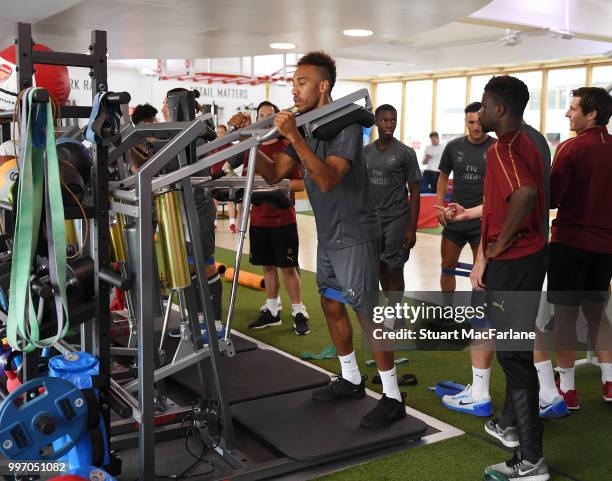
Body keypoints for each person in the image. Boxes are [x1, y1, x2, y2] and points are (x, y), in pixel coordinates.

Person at [234, 51, 406, 428]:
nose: (293, 90)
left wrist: (293, 135)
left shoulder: (345, 126)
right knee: (330, 305)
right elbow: (274, 174)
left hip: (356, 235)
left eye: (301, 82)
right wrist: (248, 142)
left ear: (323, 85)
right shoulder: (308, 129)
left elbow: (328, 178)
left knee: (367, 315)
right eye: (293, 83)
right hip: (329, 236)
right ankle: (350, 378)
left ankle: (393, 397)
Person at [474, 75, 549, 480]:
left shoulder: (501, 148)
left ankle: (532, 459)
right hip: (530, 258)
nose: (480, 112)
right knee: (515, 352)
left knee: (515, 358)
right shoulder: (528, 141)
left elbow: (525, 194)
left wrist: (498, 246)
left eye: (484, 106)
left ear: (499, 109)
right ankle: (510, 424)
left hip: (515, 261)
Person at [537, 87, 612, 409]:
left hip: (570, 243)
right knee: (599, 315)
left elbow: (553, 199)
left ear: (591, 113)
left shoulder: (570, 148)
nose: (568, 114)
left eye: (572, 108)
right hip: (606, 246)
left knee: (565, 317)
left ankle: (567, 388)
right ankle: (610, 383)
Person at [229, 101, 310, 334]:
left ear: (276, 119)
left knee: (288, 267)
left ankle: (298, 310)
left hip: (283, 218)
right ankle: (272, 310)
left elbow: (302, 183)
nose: (265, 119)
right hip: (258, 219)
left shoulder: (288, 148)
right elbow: (246, 180)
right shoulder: (252, 149)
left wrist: (273, 184)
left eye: (269, 116)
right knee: (267, 267)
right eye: (261, 115)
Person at [436, 102, 496, 416]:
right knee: (446, 267)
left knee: (480, 275)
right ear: (466, 121)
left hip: (482, 222)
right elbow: (442, 176)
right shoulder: (453, 147)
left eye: (478, 121)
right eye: (470, 121)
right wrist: (441, 204)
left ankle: (479, 320)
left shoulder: (496, 148)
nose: (475, 126)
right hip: (455, 218)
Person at [364, 104, 420, 327]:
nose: (389, 125)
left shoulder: (406, 153)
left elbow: (415, 191)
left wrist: (412, 228)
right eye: (384, 120)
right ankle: (391, 308)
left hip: (397, 219)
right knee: (378, 267)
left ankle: (398, 315)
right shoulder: (365, 153)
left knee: (394, 268)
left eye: (393, 120)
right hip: (371, 221)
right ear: (376, 122)